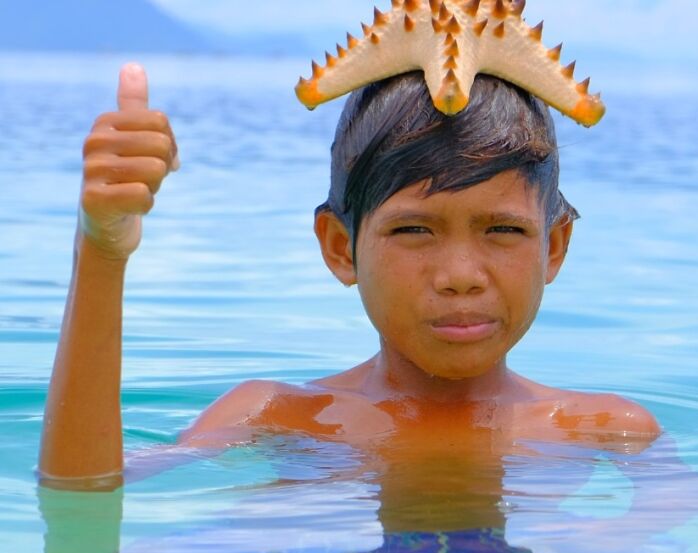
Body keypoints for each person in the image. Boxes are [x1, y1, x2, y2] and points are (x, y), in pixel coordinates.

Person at [38, 52, 659, 488]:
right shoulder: (272, 416)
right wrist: (101, 253)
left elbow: (670, 541)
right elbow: (85, 489)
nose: (461, 274)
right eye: (414, 230)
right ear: (340, 247)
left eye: (503, 230)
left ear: (553, 247)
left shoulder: (607, 431)